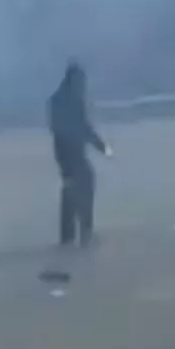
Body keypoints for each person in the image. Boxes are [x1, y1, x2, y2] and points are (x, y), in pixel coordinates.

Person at [48, 61, 111, 248]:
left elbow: (76, 127)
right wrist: (102, 147)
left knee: (72, 190)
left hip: (66, 154)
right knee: (83, 185)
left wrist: (100, 146)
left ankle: (69, 236)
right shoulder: (70, 100)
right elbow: (81, 128)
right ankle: (84, 231)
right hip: (70, 153)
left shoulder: (60, 99)